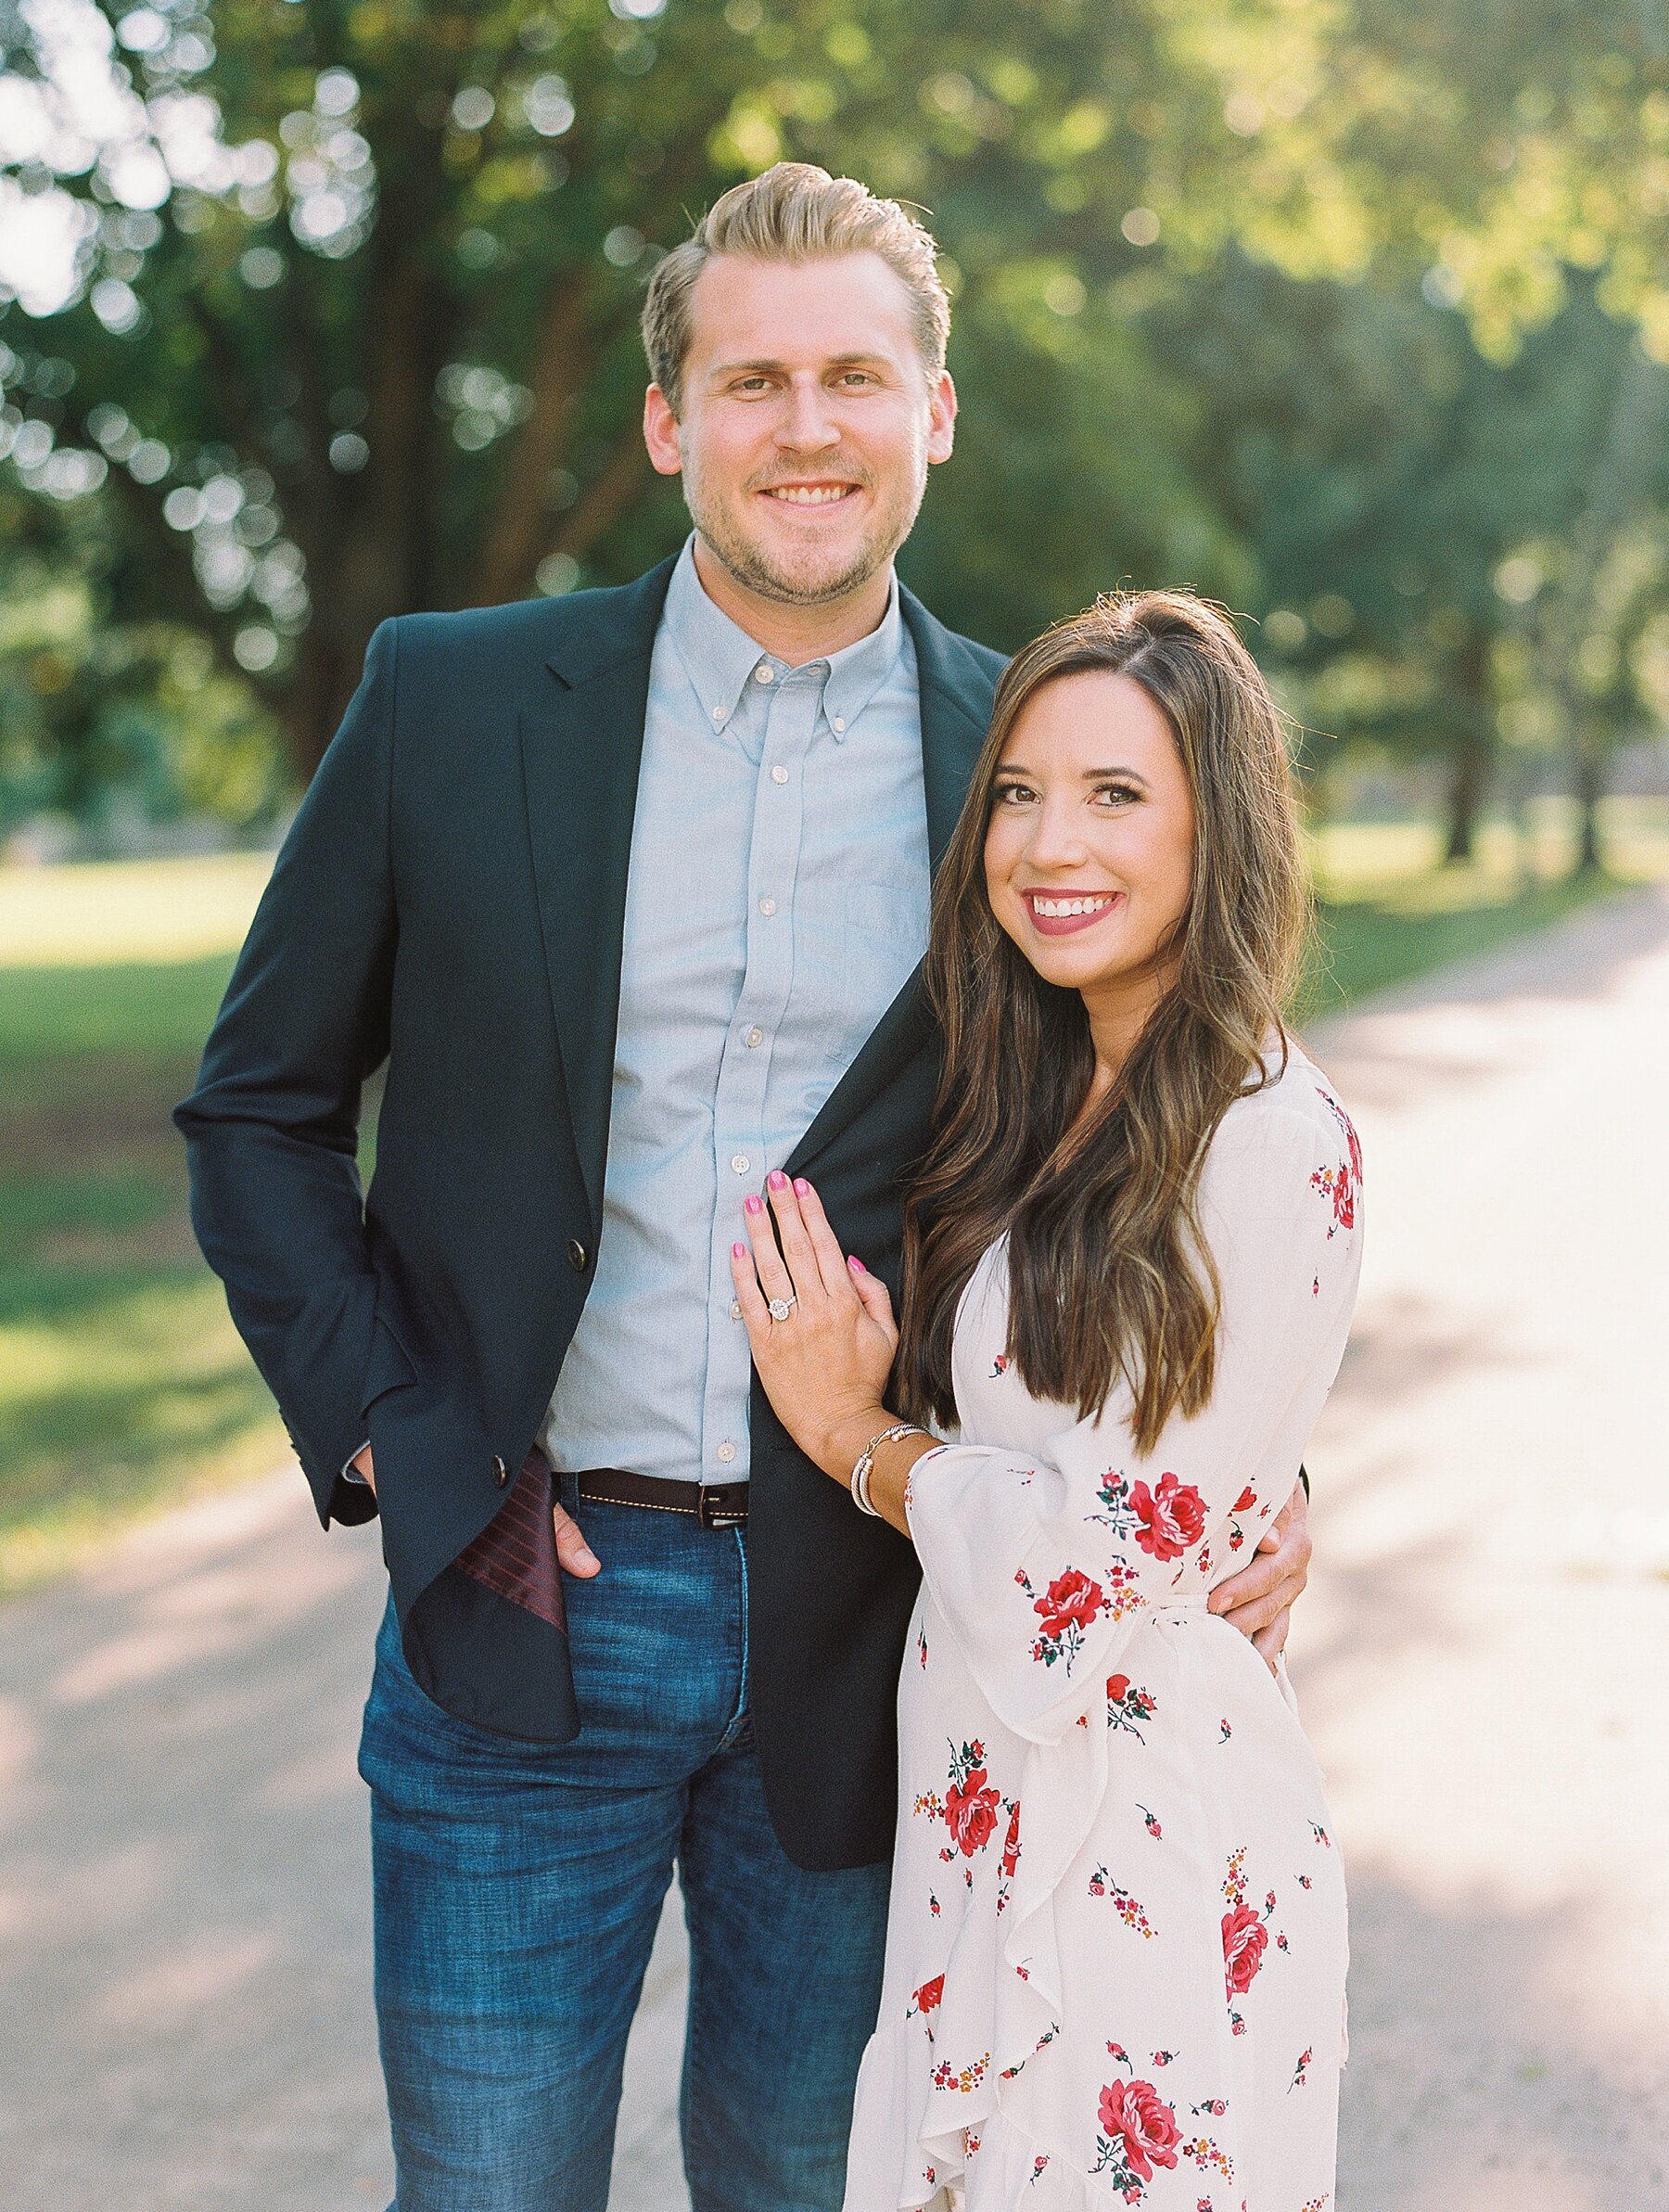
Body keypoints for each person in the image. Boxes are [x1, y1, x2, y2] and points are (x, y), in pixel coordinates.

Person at [174, 163, 1315, 2212]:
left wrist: (1253, 1474)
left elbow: (1164, 1143)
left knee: (814, 2179)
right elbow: (254, 1106)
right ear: (666, 419)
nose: (809, 426)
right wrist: (406, 1438)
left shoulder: (1020, 761)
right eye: (756, 377)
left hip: (884, 1632)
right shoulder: (447, 699)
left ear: (934, 410)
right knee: (492, 2186)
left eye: (856, 377)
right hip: (526, 1608)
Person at [732, 591, 1359, 2210]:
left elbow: (1075, 1580)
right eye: (1018, 792)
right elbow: (1142, 1443)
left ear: (1220, 830)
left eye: (1115, 795)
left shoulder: (1273, 1136)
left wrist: (854, 1438)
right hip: (982, 1817)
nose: (1046, 843)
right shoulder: (1037, 1088)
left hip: (1134, 1841)